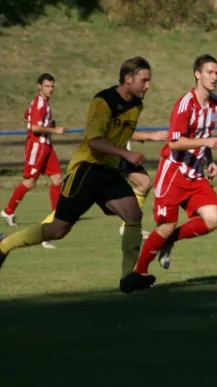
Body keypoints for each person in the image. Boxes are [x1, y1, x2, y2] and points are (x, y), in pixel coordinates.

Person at [0, 56, 157, 294]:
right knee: (58, 229)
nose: (147, 86)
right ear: (128, 79)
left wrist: (130, 155)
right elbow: (94, 140)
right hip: (86, 169)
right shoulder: (103, 101)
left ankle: (128, 277)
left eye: (149, 81)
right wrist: (126, 156)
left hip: (109, 171)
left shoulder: (137, 105)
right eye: (144, 80)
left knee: (133, 213)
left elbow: (120, 135)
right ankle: (4, 244)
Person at [134, 54, 217, 278]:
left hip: (195, 173)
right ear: (197, 74)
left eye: (216, 73)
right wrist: (206, 143)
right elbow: (175, 142)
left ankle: (169, 241)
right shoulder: (185, 104)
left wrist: (210, 159)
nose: (214, 77)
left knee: (213, 219)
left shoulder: (215, 103)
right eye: (209, 72)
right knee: (165, 225)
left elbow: (205, 134)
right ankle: (140, 273)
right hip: (173, 172)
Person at [38, 128, 169, 249]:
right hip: (104, 157)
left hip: (117, 153)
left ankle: (128, 227)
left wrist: (138, 133)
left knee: (144, 182)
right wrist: (151, 135)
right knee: (79, 199)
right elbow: (117, 130)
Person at [1, 73, 66, 249]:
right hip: (37, 146)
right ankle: (8, 211)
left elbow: (27, 117)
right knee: (29, 182)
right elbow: (34, 127)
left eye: (52, 86)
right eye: (47, 86)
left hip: (46, 146)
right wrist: (54, 129)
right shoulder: (39, 103)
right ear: (39, 86)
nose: (50, 89)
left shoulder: (43, 103)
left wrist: (47, 125)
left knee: (57, 179)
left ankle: (56, 216)